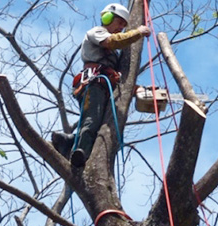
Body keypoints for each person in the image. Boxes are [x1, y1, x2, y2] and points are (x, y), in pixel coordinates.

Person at [52, 3, 151, 167]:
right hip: (94, 83)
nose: (121, 28)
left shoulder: (114, 55)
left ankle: (69, 141)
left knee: (99, 124)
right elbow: (112, 41)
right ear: (108, 18)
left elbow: (120, 80)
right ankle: (80, 153)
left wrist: (139, 90)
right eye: (119, 23)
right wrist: (137, 33)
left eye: (123, 26)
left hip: (106, 87)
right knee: (92, 119)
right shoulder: (97, 32)